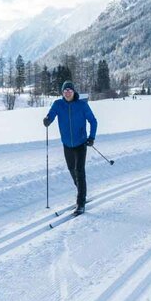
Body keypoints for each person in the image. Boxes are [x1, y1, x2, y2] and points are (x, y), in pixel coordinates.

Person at [43, 80, 98, 215]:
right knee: (71, 170)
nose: (68, 93)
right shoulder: (58, 104)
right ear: (62, 93)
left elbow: (93, 121)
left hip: (80, 143)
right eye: (65, 91)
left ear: (74, 92)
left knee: (79, 171)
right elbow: (51, 115)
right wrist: (47, 120)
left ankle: (80, 203)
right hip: (67, 144)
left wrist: (91, 137)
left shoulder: (82, 105)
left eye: (70, 90)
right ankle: (81, 191)